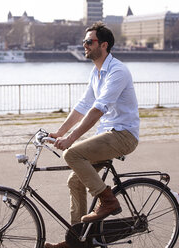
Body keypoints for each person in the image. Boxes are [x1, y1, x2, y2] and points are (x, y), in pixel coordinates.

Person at [44, 22, 140, 248]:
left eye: (89, 41)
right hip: (107, 134)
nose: (84, 45)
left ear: (103, 45)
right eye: (84, 42)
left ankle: (107, 200)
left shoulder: (117, 71)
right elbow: (83, 105)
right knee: (75, 181)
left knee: (72, 154)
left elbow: (98, 109)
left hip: (123, 135)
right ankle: (78, 240)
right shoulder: (96, 72)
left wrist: (71, 139)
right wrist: (60, 132)